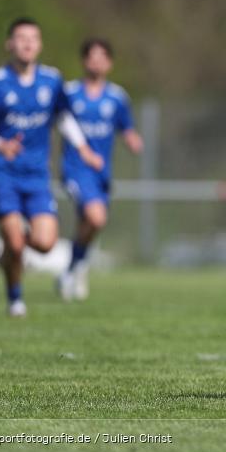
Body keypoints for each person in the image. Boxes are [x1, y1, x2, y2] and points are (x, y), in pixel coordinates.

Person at [0, 18, 103, 317]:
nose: (27, 43)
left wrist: (84, 148)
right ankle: (15, 299)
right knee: (16, 244)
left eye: (33, 38)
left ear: (40, 44)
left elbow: (64, 118)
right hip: (1, 172)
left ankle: (10, 252)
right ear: (10, 44)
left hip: (36, 174)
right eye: (21, 38)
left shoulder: (52, 81)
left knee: (44, 243)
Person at [57, 39, 142, 301]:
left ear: (110, 63)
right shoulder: (69, 93)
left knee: (90, 222)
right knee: (95, 218)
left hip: (101, 172)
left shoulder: (117, 97)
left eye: (102, 57)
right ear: (84, 61)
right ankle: (78, 267)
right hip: (75, 167)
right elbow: (56, 119)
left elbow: (125, 126)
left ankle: (72, 268)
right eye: (91, 57)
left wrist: (131, 139)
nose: (96, 62)